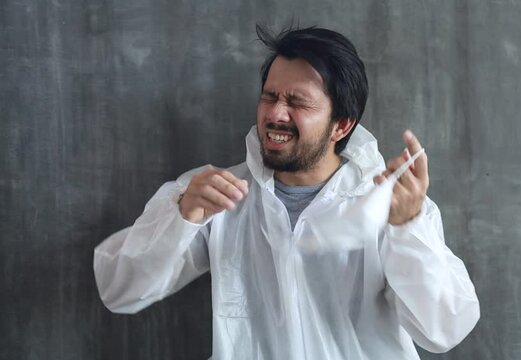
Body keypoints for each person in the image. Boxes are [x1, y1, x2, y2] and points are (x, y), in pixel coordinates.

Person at [93, 25, 480, 360]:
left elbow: (443, 330)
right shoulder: (214, 195)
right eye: (270, 96)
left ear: (341, 126)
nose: (276, 114)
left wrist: (407, 230)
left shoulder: (391, 205)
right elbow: (119, 290)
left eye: (297, 102)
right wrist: (181, 217)